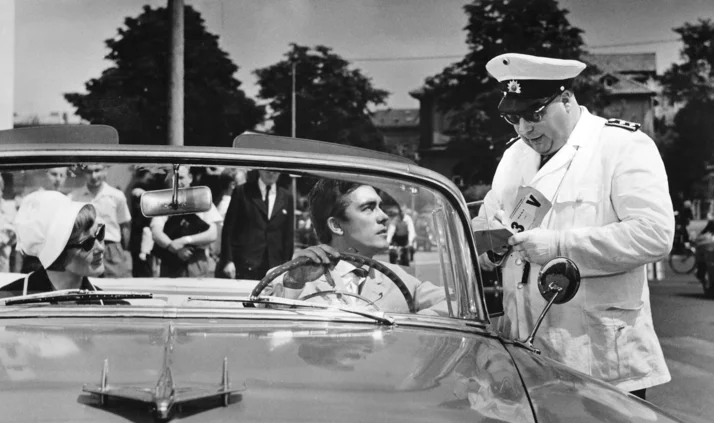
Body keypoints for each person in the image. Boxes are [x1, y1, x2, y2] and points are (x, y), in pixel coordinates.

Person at [471, 53, 674, 400]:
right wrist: (489, 243)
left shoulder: (621, 146)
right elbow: (488, 218)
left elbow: (653, 235)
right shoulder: (515, 156)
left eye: (534, 115)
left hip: (599, 358)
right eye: (512, 118)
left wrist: (558, 246)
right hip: (526, 352)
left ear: (566, 99)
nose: (523, 130)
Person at [267, 179, 447, 315]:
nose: (384, 216)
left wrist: (407, 326)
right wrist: (293, 284)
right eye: (368, 208)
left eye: (380, 207)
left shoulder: (399, 279)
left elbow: (456, 304)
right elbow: (265, 331)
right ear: (336, 225)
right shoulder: (290, 277)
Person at [0, 190, 105, 297]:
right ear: (58, 255)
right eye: (88, 243)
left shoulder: (110, 305)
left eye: (100, 233)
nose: (100, 248)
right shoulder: (6, 300)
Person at [218, 169, 294, 280]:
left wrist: (286, 266)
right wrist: (228, 261)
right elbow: (228, 229)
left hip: (274, 267)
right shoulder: (242, 191)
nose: (272, 173)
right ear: (260, 169)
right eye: (268, 170)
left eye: (276, 170)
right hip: (245, 265)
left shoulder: (286, 196)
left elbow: (288, 235)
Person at [150, 165, 222, 278]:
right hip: (171, 260)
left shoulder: (203, 200)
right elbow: (156, 231)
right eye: (173, 179)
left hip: (196, 260)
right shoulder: (164, 202)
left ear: (190, 178)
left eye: (181, 178)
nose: (177, 183)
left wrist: (185, 240)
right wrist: (171, 246)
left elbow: (213, 234)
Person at [68, 164, 132, 278]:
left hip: (112, 248)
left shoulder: (117, 196)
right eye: (89, 172)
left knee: (115, 287)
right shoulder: (74, 197)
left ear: (105, 171)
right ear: (84, 173)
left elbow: (125, 227)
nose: (93, 176)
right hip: (85, 247)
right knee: (88, 287)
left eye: (97, 170)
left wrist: (121, 250)